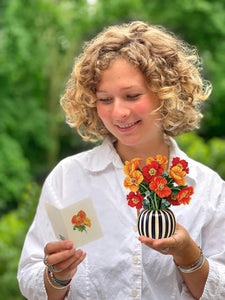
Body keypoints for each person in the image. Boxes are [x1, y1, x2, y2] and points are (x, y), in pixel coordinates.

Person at [17, 21, 225, 300]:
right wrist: (56, 275)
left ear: (166, 93)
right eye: (104, 99)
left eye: (132, 96)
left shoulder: (207, 188)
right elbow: (30, 280)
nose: (118, 112)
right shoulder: (69, 178)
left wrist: (189, 256)